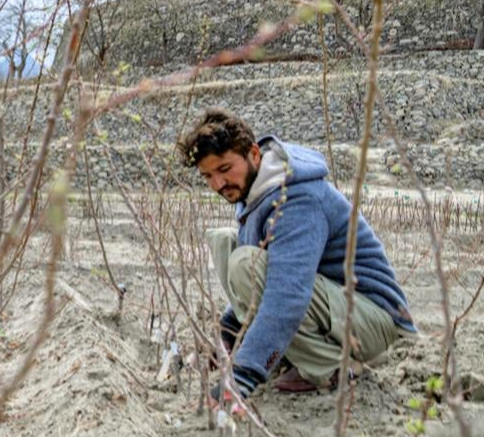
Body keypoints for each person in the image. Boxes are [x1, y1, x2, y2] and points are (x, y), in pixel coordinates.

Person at [177, 109, 415, 401]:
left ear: (253, 154)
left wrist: (242, 377)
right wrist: (228, 333)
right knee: (226, 243)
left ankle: (331, 366)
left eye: (225, 170)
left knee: (245, 265)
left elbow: (287, 294)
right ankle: (306, 352)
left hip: (375, 322)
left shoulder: (297, 200)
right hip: (338, 308)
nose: (217, 184)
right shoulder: (256, 191)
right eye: (208, 176)